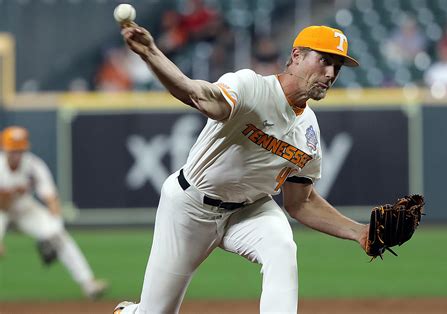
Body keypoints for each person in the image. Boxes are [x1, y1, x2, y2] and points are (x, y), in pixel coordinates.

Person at [114, 24, 369, 314]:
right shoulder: (251, 87)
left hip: (249, 210)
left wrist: (359, 232)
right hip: (190, 206)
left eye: (337, 67)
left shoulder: (309, 129)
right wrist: (150, 53)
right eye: (324, 60)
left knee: (281, 247)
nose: (331, 74)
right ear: (295, 56)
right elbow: (199, 94)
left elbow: (302, 201)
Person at [0, 126, 108, 299]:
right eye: (13, 150)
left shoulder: (33, 165)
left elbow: (51, 198)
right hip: (1, 212)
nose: (17, 155)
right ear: (4, 149)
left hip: (25, 209)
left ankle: (89, 284)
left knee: (59, 235)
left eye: (20, 150)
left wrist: (55, 228)